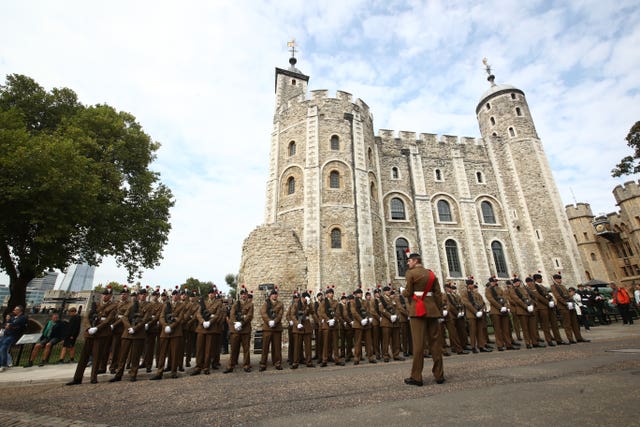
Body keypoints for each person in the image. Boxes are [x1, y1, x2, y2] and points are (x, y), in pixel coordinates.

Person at [402, 253, 445, 386]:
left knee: (418, 344)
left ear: (415, 261)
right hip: (432, 310)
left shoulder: (411, 273)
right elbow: (438, 294)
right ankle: (439, 375)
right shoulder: (431, 274)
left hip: (418, 310)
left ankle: (417, 376)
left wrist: (402, 291)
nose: (408, 263)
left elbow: (408, 292)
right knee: (435, 344)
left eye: (409, 261)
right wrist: (438, 311)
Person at [66, 287, 118, 385]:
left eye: (107, 294)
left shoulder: (113, 306)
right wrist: (89, 327)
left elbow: (108, 319)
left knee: (97, 356)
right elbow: (86, 317)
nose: (105, 296)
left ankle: (93, 377)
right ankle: (77, 378)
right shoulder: (95, 305)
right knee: (84, 357)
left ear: (110, 296)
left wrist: (97, 328)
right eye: (104, 294)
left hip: (101, 333)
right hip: (90, 334)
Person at [109, 289, 152, 382]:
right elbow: (125, 317)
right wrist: (129, 327)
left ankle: (133, 374)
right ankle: (118, 374)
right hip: (128, 333)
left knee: (135, 356)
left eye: (144, 294)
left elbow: (145, 319)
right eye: (141, 294)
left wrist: (135, 328)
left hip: (139, 333)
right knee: (123, 355)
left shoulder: (148, 306)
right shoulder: (131, 305)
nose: (143, 296)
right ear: (138, 295)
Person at [550, 274, 590, 344]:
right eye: (558, 279)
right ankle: (570, 338)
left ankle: (579, 337)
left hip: (570, 306)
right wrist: (566, 303)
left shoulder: (562, 286)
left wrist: (571, 300)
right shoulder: (553, 287)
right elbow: (558, 297)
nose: (560, 280)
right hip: (563, 307)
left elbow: (567, 295)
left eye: (560, 279)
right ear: (555, 279)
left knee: (575, 323)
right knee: (567, 324)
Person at [223, 287, 254, 373]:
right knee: (234, 349)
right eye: (242, 294)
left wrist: (242, 323)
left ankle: (246, 365)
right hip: (235, 329)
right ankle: (230, 366)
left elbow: (249, 315)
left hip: (245, 329)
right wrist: (236, 323)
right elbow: (232, 314)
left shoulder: (250, 305)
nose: (244, 295)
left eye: (245, 294)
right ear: (240, 295)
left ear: (247, 295)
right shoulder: (236, 304)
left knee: (246, 349)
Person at [259, 288, 284, 371]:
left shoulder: (280, 304)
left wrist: (275, 321)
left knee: (277, 347)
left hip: (277, 328)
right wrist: (269, 321)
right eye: (273, 294)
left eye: (276, 294)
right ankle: (263, 363)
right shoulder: (266, 303)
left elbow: (280, 314)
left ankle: (277, 363)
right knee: (265, 347)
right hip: (267, 328)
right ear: (270, 296)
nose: (274, 295)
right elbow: (263, 313)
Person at [0, 305, 27, 372]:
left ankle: (3, 364)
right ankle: (1, 364)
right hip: (5, 335)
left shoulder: (22, 318)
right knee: (1, 348)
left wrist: (10, 326)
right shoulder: (13, 317)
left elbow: (18, 326)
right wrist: (9, 325)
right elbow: (6, 324)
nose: (14, 311)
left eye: (15, 310)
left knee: (3, 348)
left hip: (12, 336)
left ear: (19, 310)